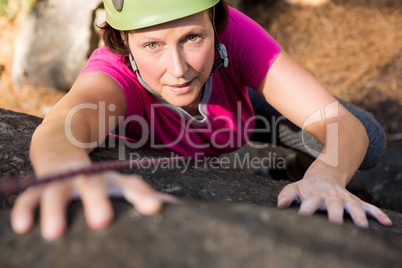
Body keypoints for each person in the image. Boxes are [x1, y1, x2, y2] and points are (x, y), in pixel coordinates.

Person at [10, 0, 392, 240]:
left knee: (369, 142)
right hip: (205, 132)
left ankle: (301, 166)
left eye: (193, 38)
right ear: (123, 42)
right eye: (152, 45)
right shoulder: (114, 79)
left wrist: (326, 176)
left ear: (214, 22)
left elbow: (340, 124)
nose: (178, 69)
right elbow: (64, 124)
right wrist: (65, 169)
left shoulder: (235, 35)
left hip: (239, 109)